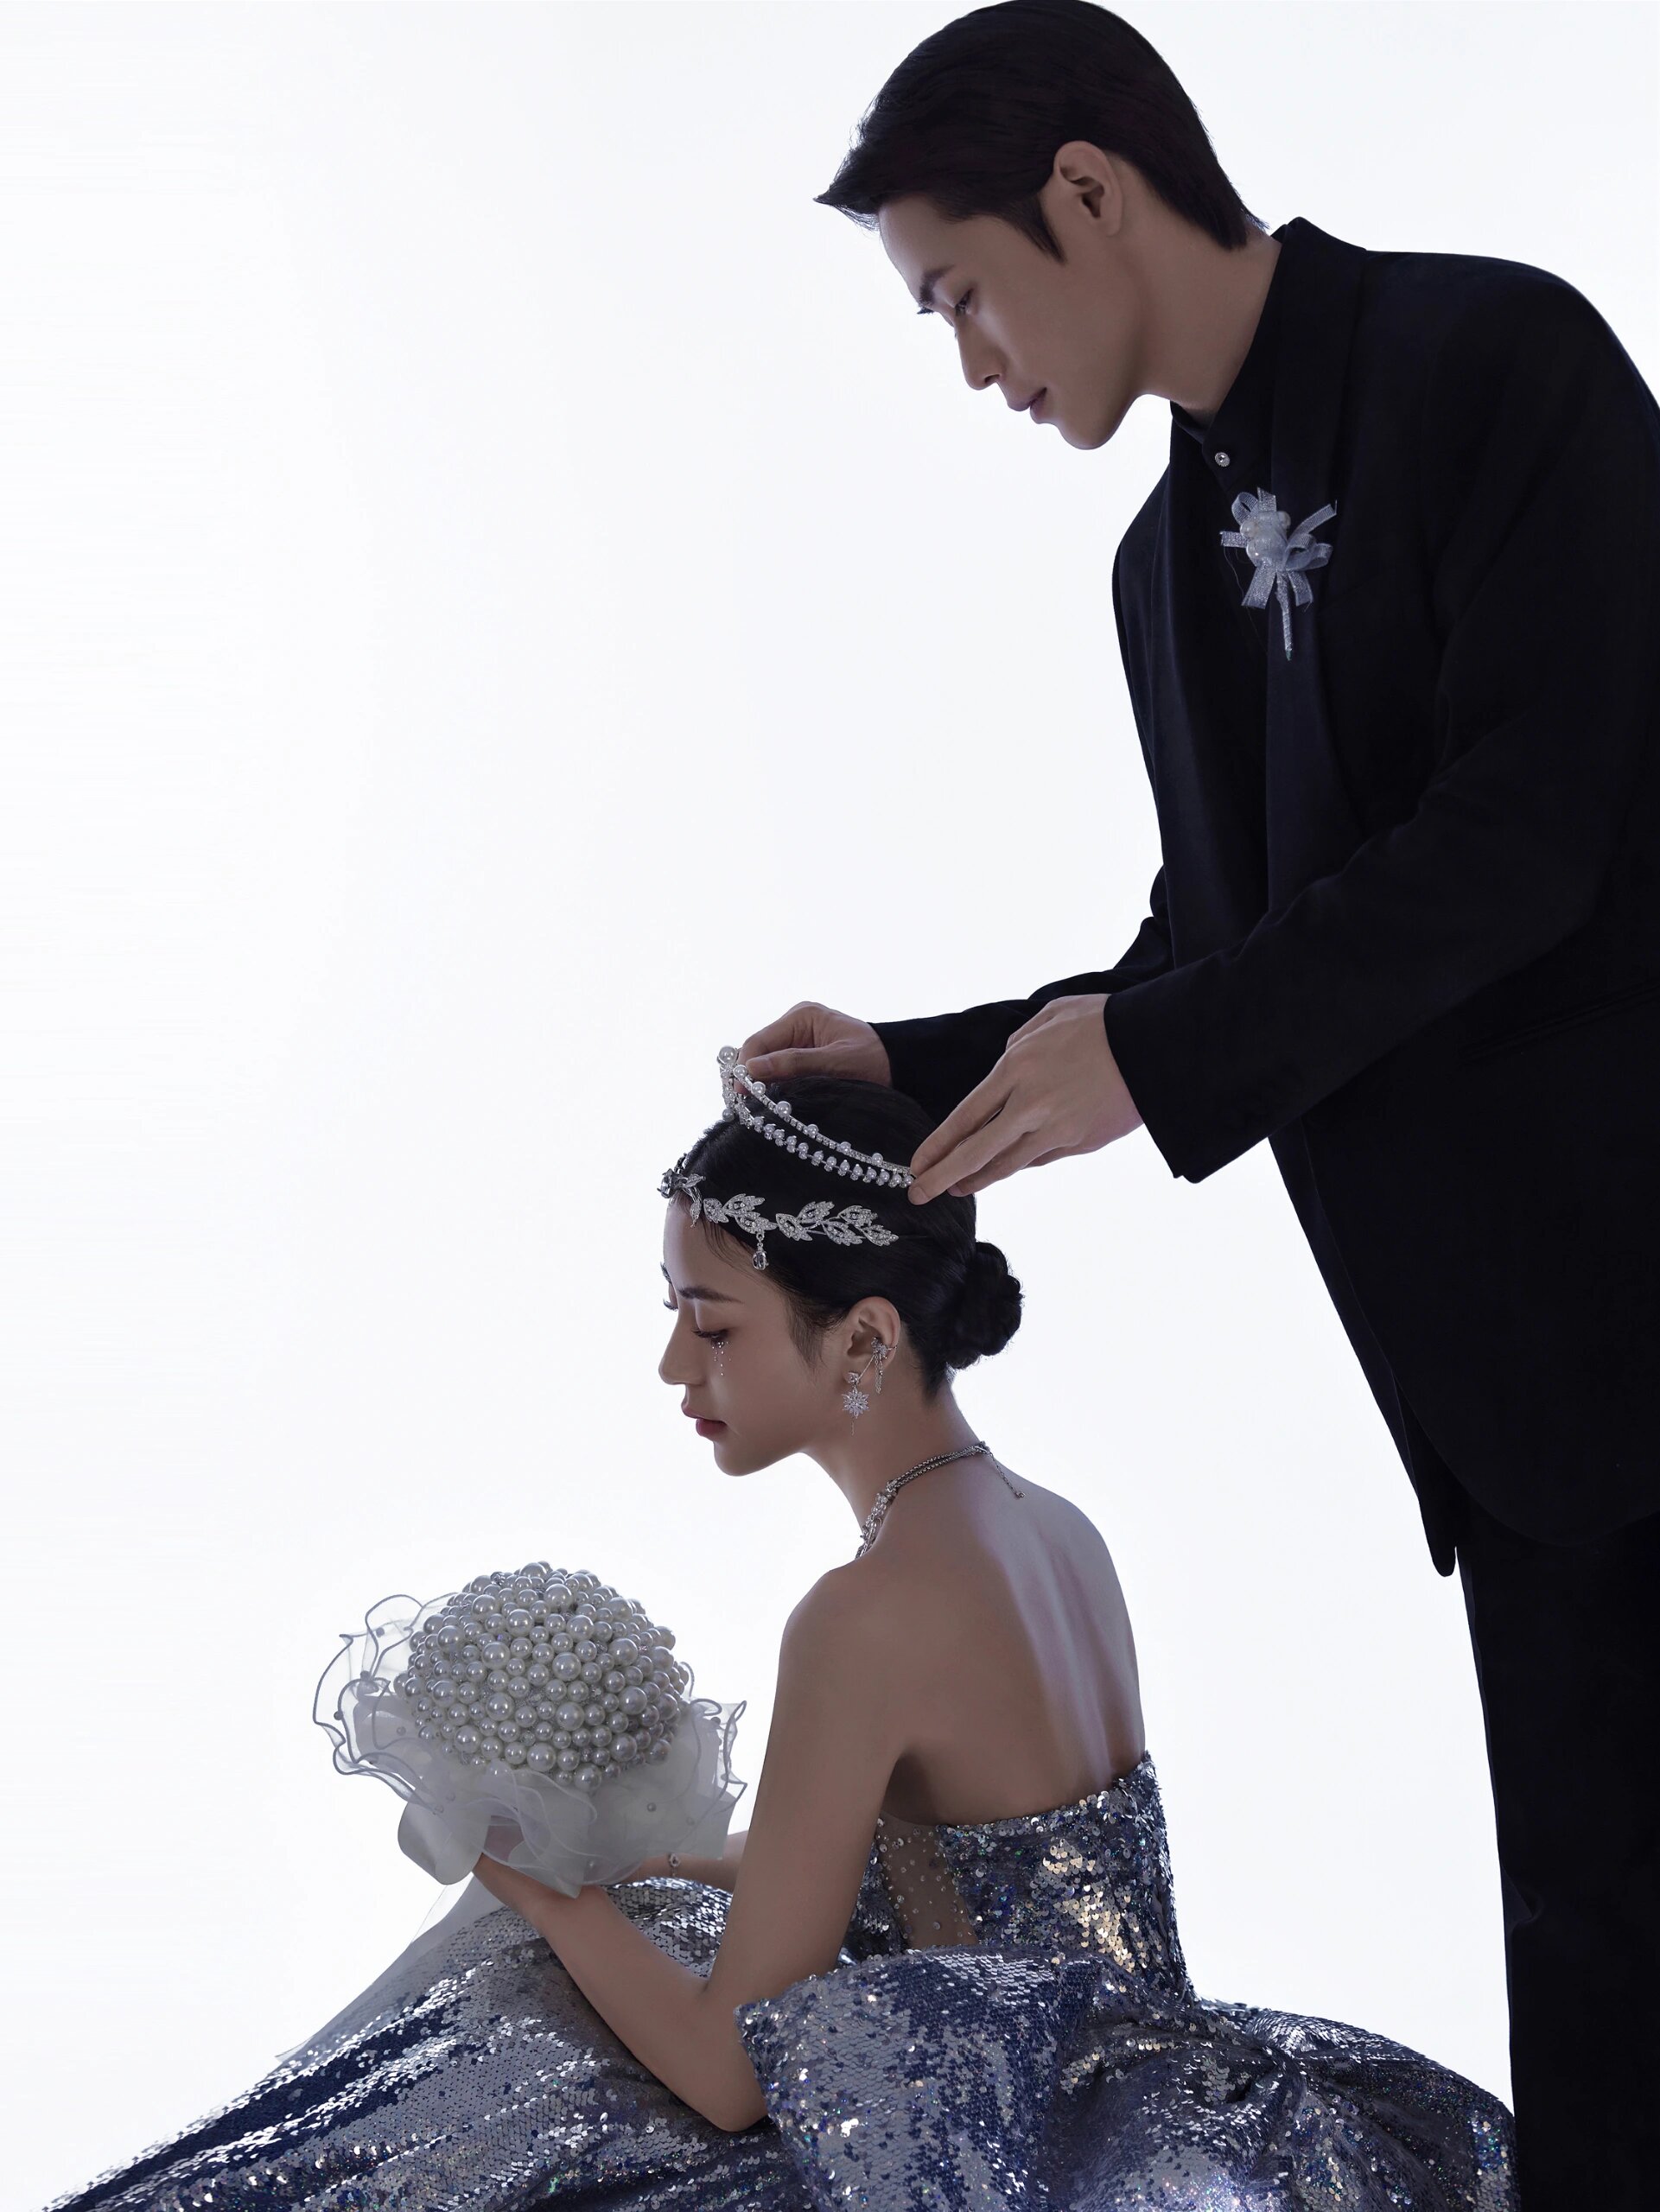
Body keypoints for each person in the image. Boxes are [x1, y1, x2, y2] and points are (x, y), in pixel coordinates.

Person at [736, 5, 1660, 2207]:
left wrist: (1152, 1058)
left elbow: (1529, 833)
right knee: (1609, 1996)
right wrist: (917, 1062)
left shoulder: (1495, 365)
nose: (972, 362)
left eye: (961, 294)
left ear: (1086, 191)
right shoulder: (1160, 572)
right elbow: (1215, 943)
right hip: (1513, 1412)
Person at [48, 1058, 1515, 2210]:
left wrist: (528, 1876)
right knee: (633, 1931)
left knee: (507, 2035)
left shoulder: (866, 1614)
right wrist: (658, 1864)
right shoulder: (1055, 1529)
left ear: (864, 1336)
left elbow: (729, 2075)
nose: (672, 1365)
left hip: (1007, 2145)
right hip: (1163, 2084)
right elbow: (980, 1871)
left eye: (713, 1324)